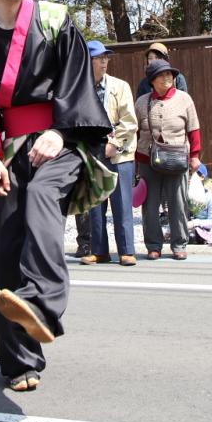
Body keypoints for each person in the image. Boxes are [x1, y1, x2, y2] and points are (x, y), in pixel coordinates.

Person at [0, 0, 114, 392]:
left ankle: (43, 303)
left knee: (44, 198)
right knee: (7, 245)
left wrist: (62, 133)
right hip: (10, 148)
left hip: (61, 141)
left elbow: (77, 83)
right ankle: (19, 360)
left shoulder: (54, 18)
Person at [134, 59, 201, 260]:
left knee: (178, 203)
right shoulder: (142, 102)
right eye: (162, 75)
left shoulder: (184, 99)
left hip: (177, 158)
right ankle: (153, 245)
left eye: (170, 74)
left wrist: (195, 156)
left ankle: (179, 244)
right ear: (152, 80)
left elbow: (194, 129)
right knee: (150, 205)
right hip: (147, 159)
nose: (168, 77)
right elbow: (134, 131)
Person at [81, 40, 138, 266]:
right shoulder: (79, 87)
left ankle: (127, 250)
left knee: (122, 201)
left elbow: (130, 122)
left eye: (106, 57)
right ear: (88, 60)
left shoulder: (120, 86)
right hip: (92, 150)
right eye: (99, 57)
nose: (104, 61)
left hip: (120, 150)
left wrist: (114, 144)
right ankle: (99, 251)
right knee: (95, 204)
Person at [187, 163, 212, 244]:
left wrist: (195, 223)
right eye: (188, 174)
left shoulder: (209, 198)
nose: (189, 177)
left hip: (201, 227)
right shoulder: (184, 195)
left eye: (192, 174)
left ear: (202, 177)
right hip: (185, 226)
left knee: (199, 235)